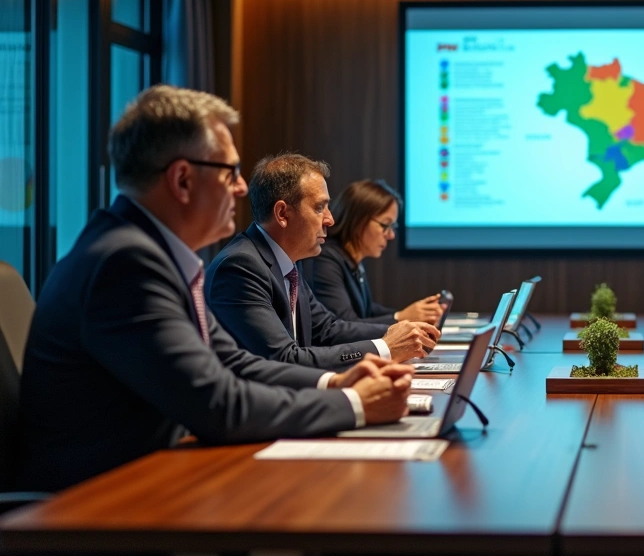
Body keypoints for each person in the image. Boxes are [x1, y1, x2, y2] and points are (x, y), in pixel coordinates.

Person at [17, 86, 416, 492]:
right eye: (230, 173)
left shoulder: (152, 253)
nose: (242, 189)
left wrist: (335, 383)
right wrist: (354, 405)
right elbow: (218, 403)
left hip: (149, 480)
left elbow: (235, 362)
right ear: (183, 180)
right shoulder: (124, 263)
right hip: (97, 506)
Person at [207, 154, 439, 370]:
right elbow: (284, 359)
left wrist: (403, 333)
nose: (330, 219)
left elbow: (327, 329)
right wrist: (385, 347)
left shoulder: (288, 262)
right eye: (319, 207)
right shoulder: (240, 267)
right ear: (282, 214)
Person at [305, 179, 443, 326]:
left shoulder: (352, 258)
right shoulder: (326, 259)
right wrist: (401, 317)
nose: (391, 235)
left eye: (392, 226)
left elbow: (367, 310)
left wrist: (413, 314)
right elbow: (344, 323)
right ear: (358, 220)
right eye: (385, 225)